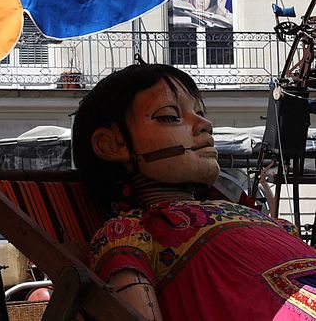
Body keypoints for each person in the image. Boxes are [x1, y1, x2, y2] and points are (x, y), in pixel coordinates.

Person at [72, 61, 316, 321]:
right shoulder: (129, 233)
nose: (204, 124)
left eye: (200, 112)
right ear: (112, 145)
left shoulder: (236, 207)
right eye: (169, 116)